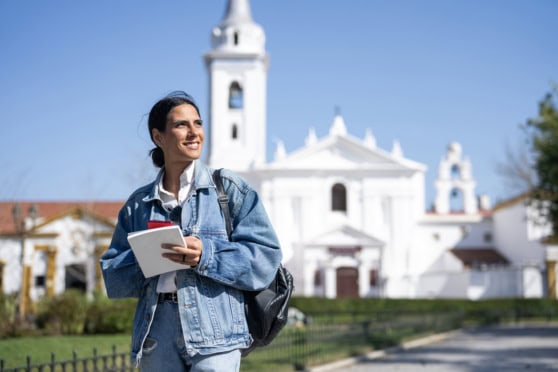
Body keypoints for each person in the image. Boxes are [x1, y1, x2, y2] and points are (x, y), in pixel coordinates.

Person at [100, 91, 282, 371]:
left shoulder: (230, 189)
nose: (193, 132)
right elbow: (113, 276)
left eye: (198, 123)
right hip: (156, 332)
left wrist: (206, 255)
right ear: (158, 137)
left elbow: (265, 258)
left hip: (217, 330)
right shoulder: (138, 205)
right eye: (181, 125)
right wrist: (149, 257)